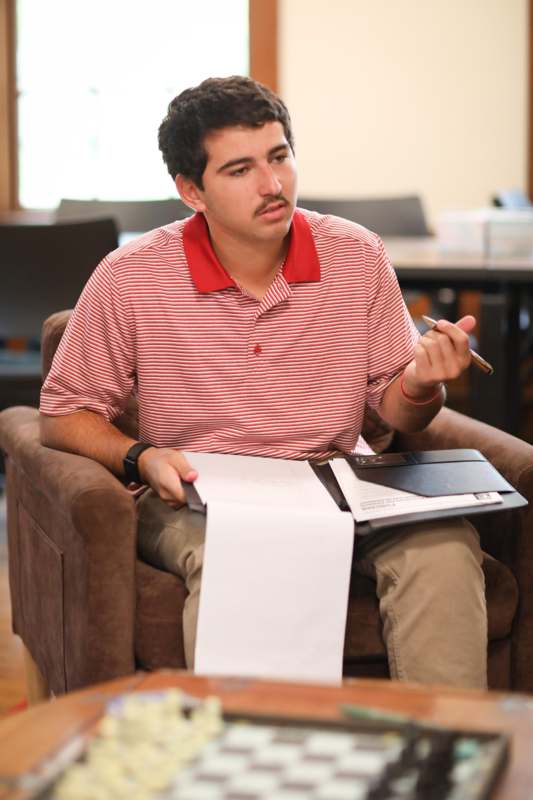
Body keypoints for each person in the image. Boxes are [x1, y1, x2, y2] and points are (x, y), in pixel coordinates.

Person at [40, 76, 486, 688]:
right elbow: (65, 411)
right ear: (191, 190)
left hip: (339, 479)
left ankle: (450, 762)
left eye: (279, 157)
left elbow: (395, 412)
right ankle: (252, 769)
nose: (272, 186)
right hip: (200, 496)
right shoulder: (131, 275)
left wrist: (421, 386)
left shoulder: (357, 255)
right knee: (246, 554)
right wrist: (141, 456)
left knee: (444, 548)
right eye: (240, 169)